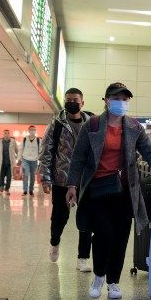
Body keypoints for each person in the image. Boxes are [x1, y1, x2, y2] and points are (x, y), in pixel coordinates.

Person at [66, 82, 151, 300]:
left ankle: (113, 282)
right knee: (104, 234)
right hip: (97, 190)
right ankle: (99, 275)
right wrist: (72, 185)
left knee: (121, 237)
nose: (121, 102)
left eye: (124, 99)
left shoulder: (134, 127)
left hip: (124, 191)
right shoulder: (91, 125)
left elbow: (149, 150)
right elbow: (78, 158)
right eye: (116, 98)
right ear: (106, 101)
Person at [38, 87, 94, 271]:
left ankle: (83, 258)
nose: (71, 102)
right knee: (60, 217)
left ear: (82, 102)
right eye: (68, 99)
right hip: (61, 179)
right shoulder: (56, 125)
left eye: (75, 99)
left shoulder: (93, 123)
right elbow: (46, 152)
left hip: (86, 180)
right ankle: (54, 242)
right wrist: (45, 178)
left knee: (87, 220)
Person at [0, 129, 18, 195]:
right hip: (2, 163)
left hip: (10, 163)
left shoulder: (13, 141)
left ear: (9, 134)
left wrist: (20, 159)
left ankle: (7, 189)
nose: (6, 134)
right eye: (5, 133)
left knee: (9, 177)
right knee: (1, 176)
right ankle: (1, 185)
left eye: (8, 133)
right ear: (3, 134)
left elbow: (17, 151)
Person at [18, 125, 41, 196]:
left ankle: (31, 190)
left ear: (35, 131)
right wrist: (19, 159)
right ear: (28, 131)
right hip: (25, 159)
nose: (32, 131)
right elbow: (21, 149)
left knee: (32, 176)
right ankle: (25, 190)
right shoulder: (24, 139)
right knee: (26, 175)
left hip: (34, 160)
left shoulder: (38, 140)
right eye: (31, 130)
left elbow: (40, 150)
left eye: (34, 130)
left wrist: (40, 161)